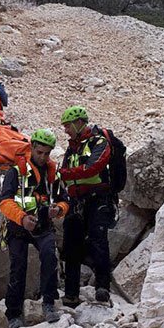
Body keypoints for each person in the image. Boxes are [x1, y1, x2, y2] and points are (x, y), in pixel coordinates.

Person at [0, 129, 68, 328]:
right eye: (39, 153)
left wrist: (59, 209)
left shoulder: (52, 173)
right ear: (32, 148)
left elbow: (64, 200)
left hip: (43, 226)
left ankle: (48, 303)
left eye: (47, 153)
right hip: (18, 228)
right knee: (18, 267)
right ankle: (13, 314)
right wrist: (21, 218)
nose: (43, 157)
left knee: (49, 257)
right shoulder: (15, 172)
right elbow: (4, 202)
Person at [58, 105, 116, 307]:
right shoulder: (71, 147)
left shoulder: (99, 142)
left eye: (67, 126)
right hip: (76, 201)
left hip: (97, 198)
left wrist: (66, 174)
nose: (65, 130)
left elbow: (93, 168)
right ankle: (71, 293)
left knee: (99, 241)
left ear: (78, 123)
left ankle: (103, 288)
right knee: (71, 245)